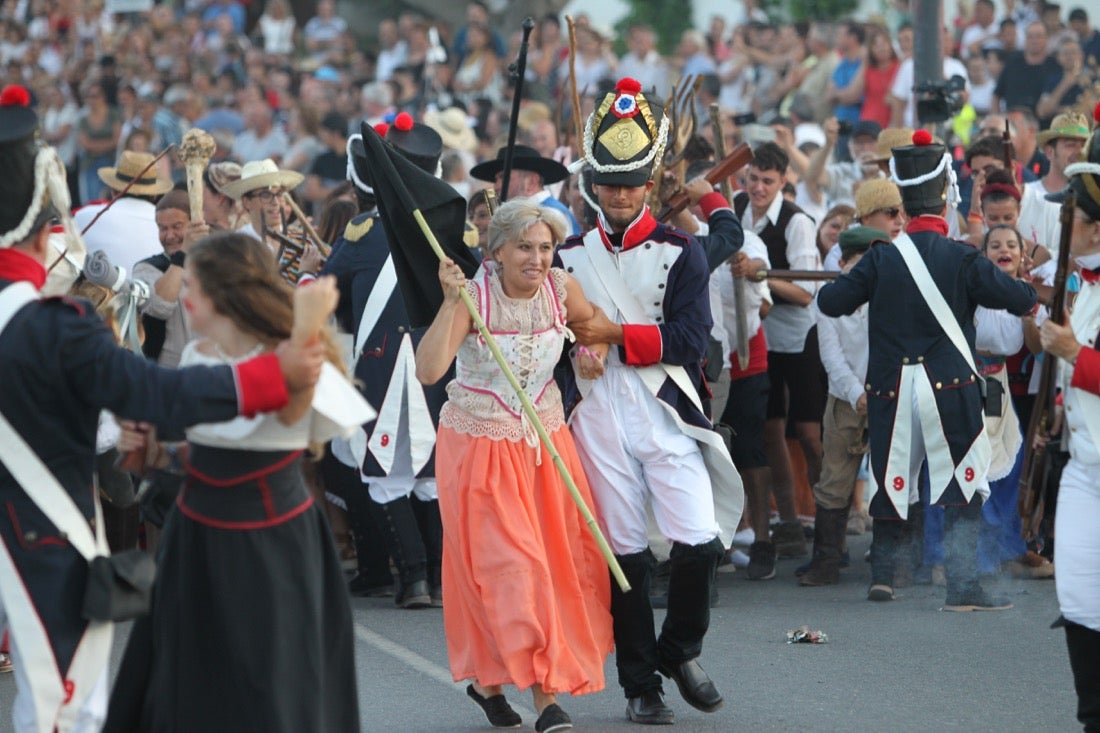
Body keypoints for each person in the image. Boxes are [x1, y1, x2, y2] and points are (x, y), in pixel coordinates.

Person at [0, 86, 322, 733]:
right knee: (64, 707)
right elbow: (156, 393)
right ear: (46, 229)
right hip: (42, 533)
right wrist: (269, 378)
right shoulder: (54, 324)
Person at [105, 232, 370, 732]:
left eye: (194, 287)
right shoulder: (199, 354)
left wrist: (308, 325)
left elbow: (288, 410)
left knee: (265, 688)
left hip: (270, 545)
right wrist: (156, 453)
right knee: (188, 687)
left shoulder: (294, 354)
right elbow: (212, 449)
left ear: (225, 294)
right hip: (195, 539)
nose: (184, 295)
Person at [556, 77, 743, 724]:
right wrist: (576, 353)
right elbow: (554, 341)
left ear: (648, 183)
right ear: (593, 184)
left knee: (699, 537)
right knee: (624, 551)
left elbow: (691, 339)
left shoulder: (682, 251)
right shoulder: (565, 256)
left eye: (631, 181)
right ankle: (640, 683)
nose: (619, 192)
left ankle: (680, 647)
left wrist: (612, 333)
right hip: (598, 409)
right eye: (608, 181)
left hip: (664, 401)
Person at [416, 199, 614, 732]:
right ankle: (546, 699)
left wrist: (586, 354)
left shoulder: (561, 289)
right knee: (512, 570)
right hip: (480, 444)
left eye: (546, 247)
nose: (537, 257)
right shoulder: (474, 297)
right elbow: (429, 369)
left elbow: (592, 324)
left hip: (545, 443)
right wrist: (448, 300)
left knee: (552, 566)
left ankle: (489, 682)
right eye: (524, 247)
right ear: (496, 250)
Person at [817, 129, 1037, 608]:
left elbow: (832, 301)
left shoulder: (881, 257)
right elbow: (1021, 299)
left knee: (891, 480)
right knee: (965, 482)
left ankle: (883, 575)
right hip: (949, 385)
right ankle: (962, 584)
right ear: (943, 196)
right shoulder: (961, 256)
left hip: (891, 388)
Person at [317, 115, 451, 609]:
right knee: (431, 478)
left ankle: (414, 579)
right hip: (439, 368)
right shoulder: (452, 227)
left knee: (385, 474)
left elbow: (329, 293)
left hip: (380, 366)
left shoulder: (362, 231)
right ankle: (438, 579)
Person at [1036, 124, 1100, 733]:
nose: (1065, 222)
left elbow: (1085, 358)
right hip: (1085, 465)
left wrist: (1073, 353)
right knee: (1079, 598)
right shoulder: (1084, 286)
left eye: (1075, 214)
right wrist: (1061, 404)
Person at [733, 141, 821, 569]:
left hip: (797, 338)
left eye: (768, 181)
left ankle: (825, 524)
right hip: (755, 337)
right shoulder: (734, 209)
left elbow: (806, 293)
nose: (759, 188)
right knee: (768, 430)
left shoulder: (797, 222)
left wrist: (760, 275)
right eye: (753, 179)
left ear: (784, 182)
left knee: (807, 434)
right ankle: (782, 521)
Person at [800, 226, 886, 586]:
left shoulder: (891, 293)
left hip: (886, 393)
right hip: (843, 396)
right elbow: (831, 356)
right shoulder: (828, 298)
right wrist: (856, 393)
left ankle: (891, 563)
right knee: (834, 479)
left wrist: (878, 390)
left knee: (893, 477)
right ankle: (827, 561)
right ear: (843, 262)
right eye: (859, 264)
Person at [72, 149, 173, 276]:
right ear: (154, 195)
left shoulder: (84, 216)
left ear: (113, 190)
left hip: (98, 293)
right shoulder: (170, 227)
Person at [470, 143, 580, 235]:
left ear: (531, 181)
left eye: (504, 177)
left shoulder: (552, 214)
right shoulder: (518, 214)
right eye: (496, 180)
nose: (496, 186)